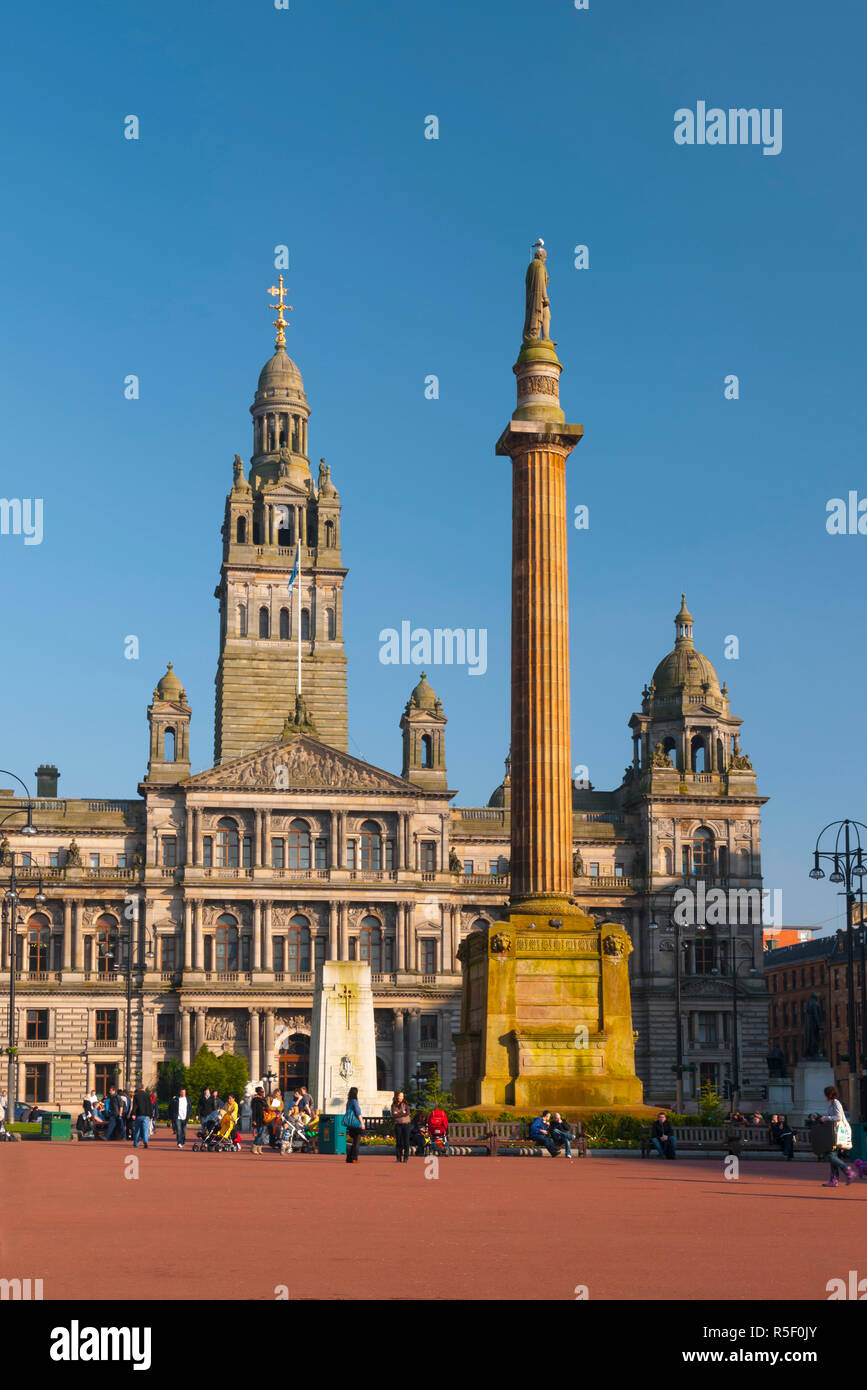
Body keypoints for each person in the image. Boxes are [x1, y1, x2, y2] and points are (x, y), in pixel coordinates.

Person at [820, 1085, 855, 1188]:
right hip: (833, 1133)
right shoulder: (832, 1103)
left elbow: (838, 1117)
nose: (824, 1097)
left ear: (829, 1094)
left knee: (831, 1156)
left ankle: (848, 1171)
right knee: (833, 1156)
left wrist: (825, 1118)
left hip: (837, 1134)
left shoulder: (836, 1103)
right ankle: (834, 1180)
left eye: (825, 1094)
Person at [344, 1086, 364, 1163]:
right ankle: (354, 1158)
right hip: (356, 1124)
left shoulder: (348, 1102)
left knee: (353, 1142)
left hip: (350, 1124)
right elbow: (358, 1113)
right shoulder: (355, 1101)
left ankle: (349, 1157)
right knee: (356, 1142)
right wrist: (362, 1123)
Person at [391, 1090, 411, 1163]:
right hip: (398, 1125)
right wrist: (402, 1113)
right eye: (400, 1096)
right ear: (396, 1096)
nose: (401, 1097)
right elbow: (394, 1115)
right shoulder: (393, 1105)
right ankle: (398, 1158)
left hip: (406, 1124)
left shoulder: (405, 1104)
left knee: (406, 1142)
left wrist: (399, 1113)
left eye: (402, 1096)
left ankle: (406, 1157)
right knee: (399, 1142)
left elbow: (407, 1113)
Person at [132, 1084, 152, 1149]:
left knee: (137, 1130)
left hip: (138, 1115)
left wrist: (133, 1114)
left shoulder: (136, 1095)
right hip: (146, 1115)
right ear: (143, 1088)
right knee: (145, 1130)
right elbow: (150, 1106)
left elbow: (135, 1106)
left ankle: (136, 1143)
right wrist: (151, 1115)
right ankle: (145, 1141)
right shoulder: (147, 1095)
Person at [250, 1086, 267, 1155]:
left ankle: (259, 1148)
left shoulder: (263, 1099)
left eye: (263, 1091)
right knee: (260, 1133)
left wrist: (265, 1107)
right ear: (258, 1092)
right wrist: (254, 1120)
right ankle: (254, 1147)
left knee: (262, 1134)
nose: (263, 1093)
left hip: (264, 1118)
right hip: (258, 1119)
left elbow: (267, 1106)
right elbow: (254, 1111)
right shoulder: (255, 1100)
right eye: (262, 1092)